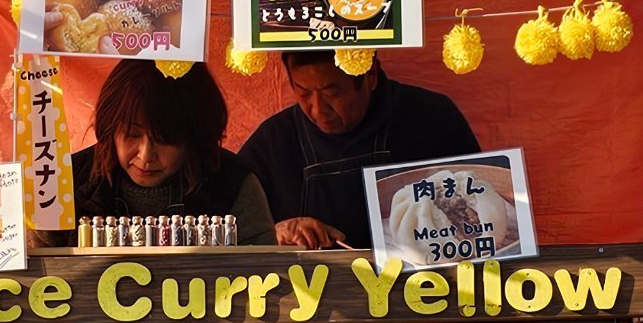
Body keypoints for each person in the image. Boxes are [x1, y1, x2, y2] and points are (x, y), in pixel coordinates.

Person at [240, 53, 480, 250]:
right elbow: (233, 237)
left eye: (332, 94)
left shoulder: (434, 119)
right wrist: (274, 234)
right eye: (303, 93)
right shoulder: (274, 140)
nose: (318, 109)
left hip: (428, 287)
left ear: (371, 74)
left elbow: (481, 216)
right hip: (312, 293)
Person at [68, 60, 274, 243]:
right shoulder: (67, 182)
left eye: (164, 139)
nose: (145, 156)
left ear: (194, 137)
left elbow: (262, 270)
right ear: (109, 129)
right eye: (132, 134)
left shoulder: (234, 186)